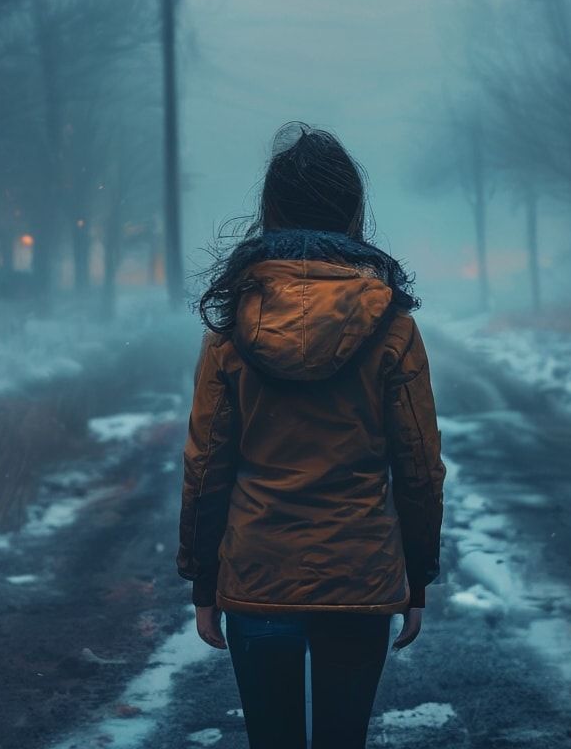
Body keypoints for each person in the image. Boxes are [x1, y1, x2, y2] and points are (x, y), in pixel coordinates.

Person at [176, 121, 446, 749]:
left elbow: (206, 464)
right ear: (352, 211)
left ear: (269, 211)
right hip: (360, 574)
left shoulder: (232, 325)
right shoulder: (392, 325)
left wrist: (202, 581)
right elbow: (418, 463)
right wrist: (419, 574)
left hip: (258, 575)